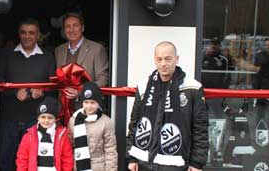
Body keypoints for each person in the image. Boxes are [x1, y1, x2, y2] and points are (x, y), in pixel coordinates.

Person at [127, 41, 208, 171]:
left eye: (168, 59)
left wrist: (197, 163)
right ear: (155, 60)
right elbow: (135, 124)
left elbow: (200, 128)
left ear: (177, 59)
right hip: (144, 163)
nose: (163, 63)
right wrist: (131, 157)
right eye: (159, 59)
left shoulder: (193, 87)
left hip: (176, 165)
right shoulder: (143, 87)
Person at [0, 18, 56, 171]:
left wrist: (43, 92)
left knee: (34, 160)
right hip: (9, 118)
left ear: (38, 35)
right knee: (6, 160)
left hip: (35, 119)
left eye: (31, 33)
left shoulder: (47, 56)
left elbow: (55, 86)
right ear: (19, 34)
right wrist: (14, 92)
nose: (27, 36)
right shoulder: (6, 54)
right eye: (23, 32)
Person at [54, 13, 109, 102]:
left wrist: (81, 91)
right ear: (64, 30)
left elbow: (103, 79)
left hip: (88, 107)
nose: (71, 30)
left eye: (75, 25)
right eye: (68, 26)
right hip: (63, 107)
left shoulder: (97, 49)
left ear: (82, 28)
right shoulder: (59, 50)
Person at [67, 81, 117, 171]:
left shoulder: (106, 122)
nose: (89, 106)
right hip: (77, 166)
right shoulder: (73, 120)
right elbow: (68, 147)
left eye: (93, 102)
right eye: (86, 102)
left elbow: (110, 150)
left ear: (98, 103)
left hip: (98, 167)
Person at [16, 96, 74, 171]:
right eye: (43, 117)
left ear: (56, 119)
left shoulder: (62, 136)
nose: (46, 120)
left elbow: (67, 159)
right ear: (38, 118)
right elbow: (22, 159)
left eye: (50, 118)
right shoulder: (28, 136)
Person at [201, 38, 229, 118]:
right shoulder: (203, 57)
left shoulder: (223, 59)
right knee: (202, 113)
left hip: (217, 92)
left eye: (216, 44)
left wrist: (223, 93)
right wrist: (206, 55)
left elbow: (226, 77)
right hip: (204, 91)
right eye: (212, 44)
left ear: (219, 46)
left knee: (218, 113)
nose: (213, 46)